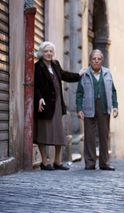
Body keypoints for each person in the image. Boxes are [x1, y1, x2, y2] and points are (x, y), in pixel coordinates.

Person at [34, 41, 85, 170]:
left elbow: (64, 75)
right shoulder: (38, 66)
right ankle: (44, 162)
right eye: (46, 51)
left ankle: (57, 161)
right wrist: (39, 99)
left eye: (51, 51)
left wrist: (78, 75)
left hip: (56, 104)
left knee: (59, 133)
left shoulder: (55, 64)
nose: (49, 53)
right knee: (43, 133)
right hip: (45, 106)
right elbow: (35, 85)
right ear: (41, 53)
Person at [76, 49, 118, 171]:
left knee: (104, 136)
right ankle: (90, 163)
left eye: (99, 59)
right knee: (89, 137)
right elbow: (79, 93)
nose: (96, 61)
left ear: (102, 61)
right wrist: (79, 109)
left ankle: (104, 163)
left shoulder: (107, 73)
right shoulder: (84, 74)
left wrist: (115, 106)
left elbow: (113, 91)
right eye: (94, 59)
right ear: (90, 60)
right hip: (88, 108)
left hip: (104, 108)